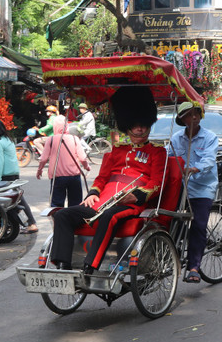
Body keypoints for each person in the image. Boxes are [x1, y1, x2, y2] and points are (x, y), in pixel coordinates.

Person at [49, 86, 167, 272]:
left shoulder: (157, 152)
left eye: (143, 125)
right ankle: (63, 265)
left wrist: (136, 196)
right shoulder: (117, 151)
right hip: (102, 201)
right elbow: (102, 178)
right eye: (135, 124)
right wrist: (93, 193)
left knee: (108, 216)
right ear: (127, 125)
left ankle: (90, 265)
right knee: (62, 215)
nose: (139, 129)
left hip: (129, 203)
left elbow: (156, 183)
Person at [167, 101, 218, 283]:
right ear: (182, 119)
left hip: (203, 186)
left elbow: (209, 160)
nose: (193, 117)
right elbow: (168, 158)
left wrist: (194, 168)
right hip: (181, 186)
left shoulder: (210, 137)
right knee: (168, 218)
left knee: (197, 224)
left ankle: (194, 267)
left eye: (196, 113)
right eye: (189, 114)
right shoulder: (176, 139)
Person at [0, 119, 38, 233]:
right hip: (14, 174)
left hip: (4, 176)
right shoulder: (9, 140)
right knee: (18, 200)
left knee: (7, 202)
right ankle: (31, 223)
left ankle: (27, 224)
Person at [36, 116, 90, 207]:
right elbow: (83, 158)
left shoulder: (51, 139)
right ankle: (73, 221)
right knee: (75, 205)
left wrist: (39, 170)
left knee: (57, 205)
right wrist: (86, 167)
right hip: (74, 177)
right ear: (66, 126)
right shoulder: (74, 138)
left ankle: (59, 221)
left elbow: (43, 158)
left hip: (58, 178)